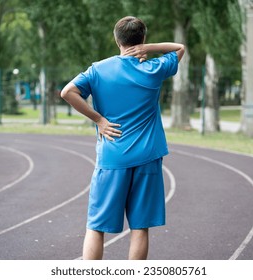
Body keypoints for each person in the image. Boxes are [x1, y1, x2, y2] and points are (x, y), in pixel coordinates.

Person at [61, 16, 185, 260]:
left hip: (112, 156)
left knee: (96, 226)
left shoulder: (99, 69)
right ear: (143, 39)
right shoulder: (153, 69)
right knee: (139, 227)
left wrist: (99, 120)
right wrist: (148, 49)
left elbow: (67, 92)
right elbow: (180, 48)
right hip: (147, 157)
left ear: (116, 40)